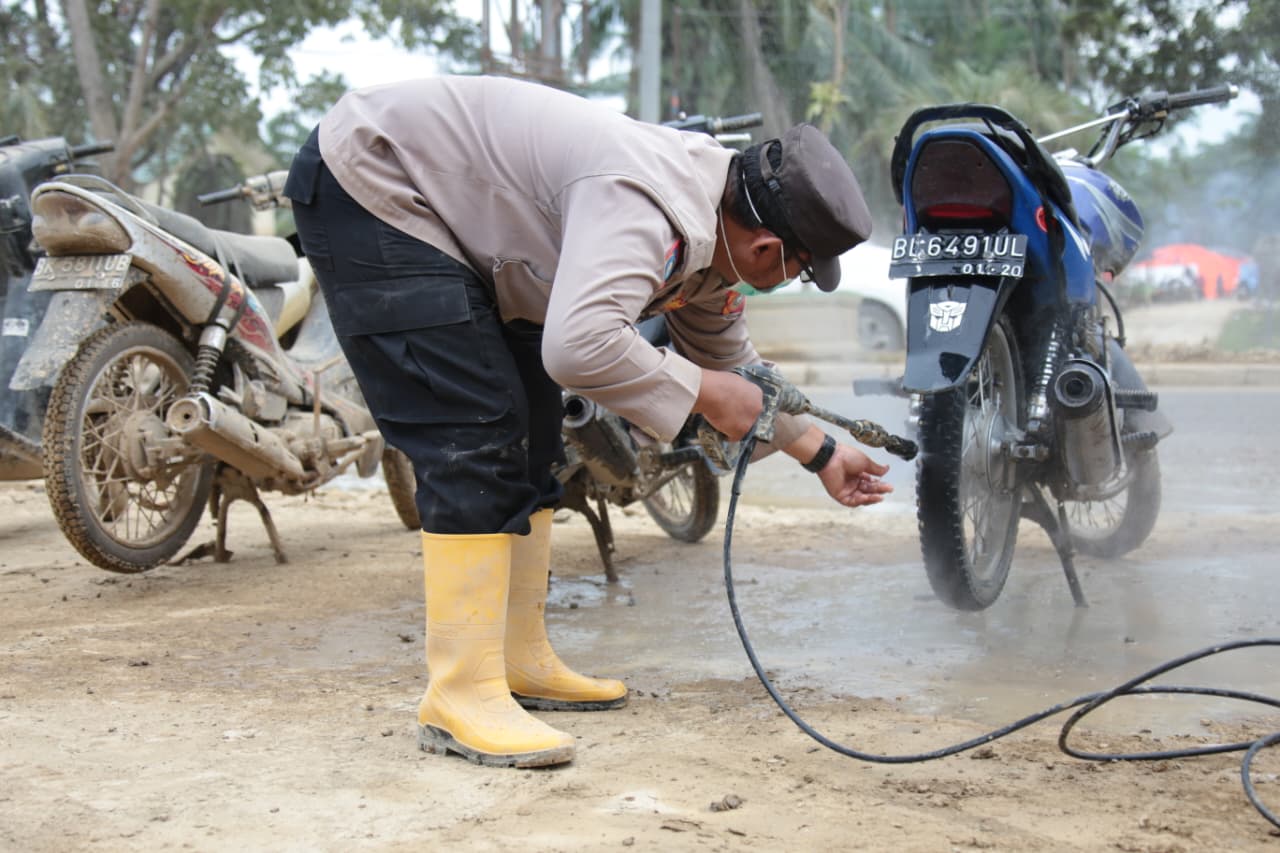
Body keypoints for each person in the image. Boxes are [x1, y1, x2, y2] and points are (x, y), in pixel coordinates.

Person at [283, 74, 892, 769]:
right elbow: (578, 347)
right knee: (476, 424)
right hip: (379, 181)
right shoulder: (648, 209)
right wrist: (702, 392)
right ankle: (460, 694)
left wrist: (819, 449)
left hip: (467, 226)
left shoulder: (712, 236)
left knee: (535, 428)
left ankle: (517, 658)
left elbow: (735, 365)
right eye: (800, 270)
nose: (787, 282)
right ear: (767, 251)